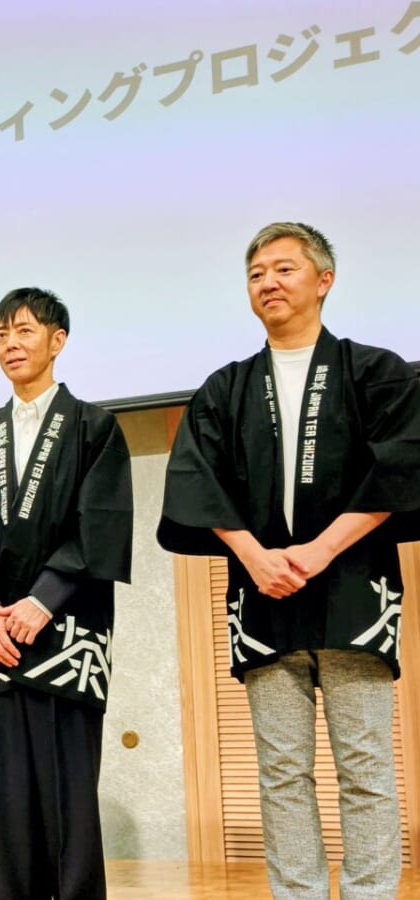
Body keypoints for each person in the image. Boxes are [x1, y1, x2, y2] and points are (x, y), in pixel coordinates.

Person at [158, 222, 420, 899]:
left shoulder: (376, 371)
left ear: (324, 280)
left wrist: (319, 549)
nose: (267, 283)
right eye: (256, 274)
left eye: (283, 269)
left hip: (354, 592)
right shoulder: (226, 388)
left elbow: (403, 467)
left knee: (365, 766)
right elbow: (196, 480)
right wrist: (255, 557)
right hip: (263, 597)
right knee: (281, 772)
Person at [0, 288, 133, 900]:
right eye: (0, 334)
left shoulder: (94, 427)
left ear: (57, 340)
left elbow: (100, 524)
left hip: (66, 631)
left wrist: (42, 600)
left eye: (23, 330)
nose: (10, 344)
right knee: (11, 805)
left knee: (70, 801)